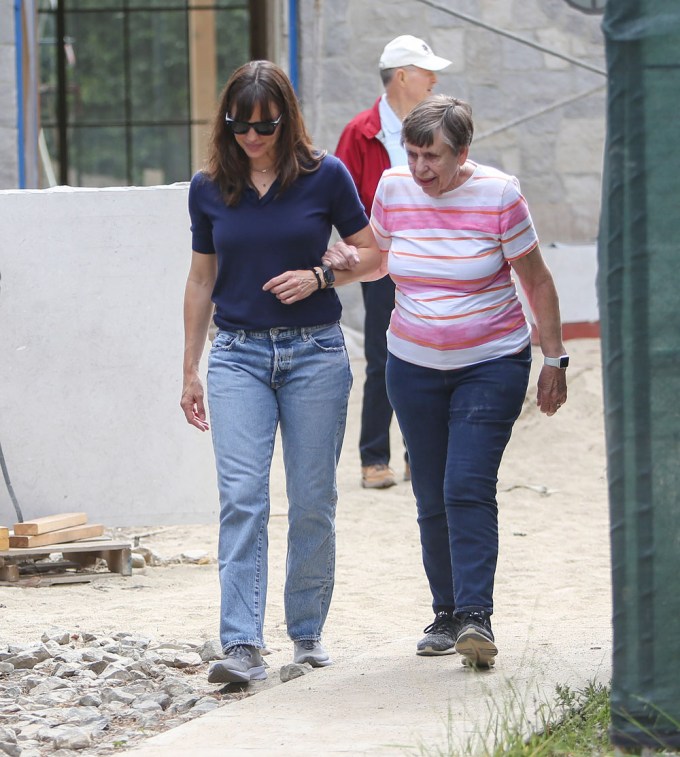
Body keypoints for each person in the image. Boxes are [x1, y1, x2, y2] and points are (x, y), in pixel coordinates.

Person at [180, 60, 380, 684]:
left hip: (315, 354)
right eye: (242, 126)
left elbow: (376, 257)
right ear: (227, 123)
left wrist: (322, 275)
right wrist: (190, 366)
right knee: (242, 499)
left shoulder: (327, 176)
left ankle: (306, 634)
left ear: (286, 121)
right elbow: (201, 277)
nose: (254, 139)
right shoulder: (209, 186)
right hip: (237, 354)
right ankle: (240, 645)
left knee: (313, 500)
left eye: (266, 126)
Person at [370, 95, 568, 667]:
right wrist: (328, 266)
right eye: (412, 154)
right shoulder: (392, 188)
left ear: (463, 154)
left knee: (465, 485)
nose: (420, 169)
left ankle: (476, 616)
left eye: (432, 157)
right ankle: (447, 613)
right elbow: (378, 259)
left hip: (491, 362)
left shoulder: (500, 194)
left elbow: (537, 280)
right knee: (430, 491)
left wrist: (553, 359)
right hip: (411, 365)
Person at [335, 35, 452, 490]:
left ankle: (416, 456)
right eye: (426, 72)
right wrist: (356, 250)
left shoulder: (439, 126)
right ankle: (373, 458)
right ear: (403, 76)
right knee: (383, 355)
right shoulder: (359, 131)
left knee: (431, 353)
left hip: (430, 258)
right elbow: (341, 199)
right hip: (381, 257)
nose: (434, 80)